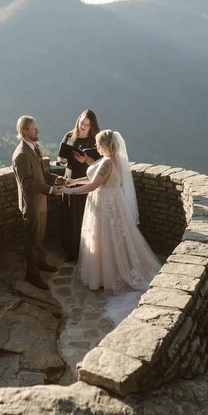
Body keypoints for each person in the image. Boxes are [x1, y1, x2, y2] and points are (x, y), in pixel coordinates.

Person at [61, 129, 161, 323]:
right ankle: (112, 271)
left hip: (104, 206)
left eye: (99, 144)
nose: (96, 147)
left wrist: (68, 191)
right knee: (115, 240)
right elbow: (94, 178)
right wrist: (73, 181)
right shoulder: (114, 160)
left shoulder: (106, 162)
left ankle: (107, 276)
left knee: (103, 239)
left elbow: (92, 186)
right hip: (113, 202)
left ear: (106, 145)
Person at [12, 115, 64, 290]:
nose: (38, 131)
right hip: (32, 205)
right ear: (25, 131)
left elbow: (42, 173)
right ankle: (32, 275)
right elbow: (27, 182)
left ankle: (41, 264)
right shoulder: (21, 155)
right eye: (34, 129)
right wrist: (50, 190)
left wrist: (57, 180)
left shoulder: (34, 148)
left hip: (40, 202)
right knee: (32, 241)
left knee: (40, 238)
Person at [57, 110, 101, 261]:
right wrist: (62, 159)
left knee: (84, 215)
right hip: (69, 178)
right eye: (82, 122)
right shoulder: (69, 136)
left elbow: (101, 163)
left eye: (87, 125)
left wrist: (86, 160)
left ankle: (86, 251)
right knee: (69, 215)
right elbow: (60, 158)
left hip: (86, 178)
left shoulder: (95, 139)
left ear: (92, 126)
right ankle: (70, 250)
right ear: (78, 120)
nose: (83, 126)